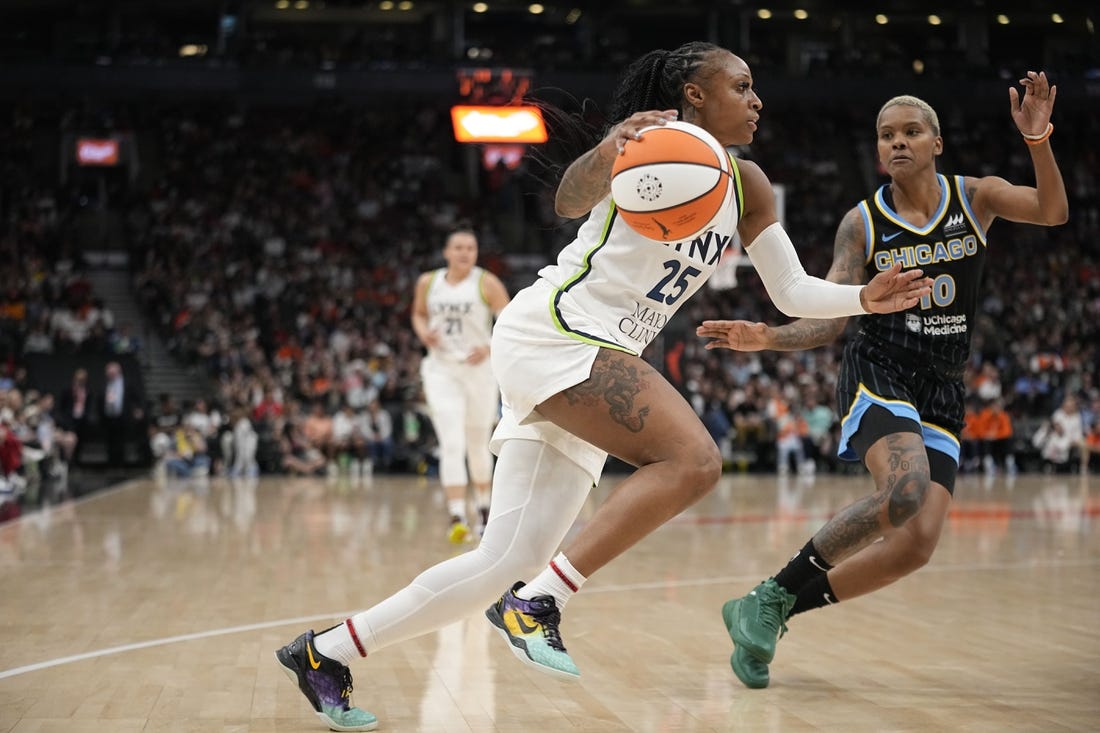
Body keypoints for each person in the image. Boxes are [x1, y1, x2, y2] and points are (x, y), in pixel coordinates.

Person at [274, 41, 931, 731]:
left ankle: (326, 652)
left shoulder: (750, 186)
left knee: (505, 560)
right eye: (740, 85)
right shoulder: (650, 141)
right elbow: (568, 198)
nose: (757, 99)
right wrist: (609, 148)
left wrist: (864, 296)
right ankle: (541, 604)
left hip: (599, 355)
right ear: (696, 93)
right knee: (694, 460)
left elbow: (793, 290)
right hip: (560, 329)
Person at [696, 71, 1068, 688]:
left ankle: (775, 605)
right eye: (886, 135)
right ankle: (770, 596)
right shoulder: (861, 224)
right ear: (876, 150)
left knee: (915, 545)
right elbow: (829, 320)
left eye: (911, 132)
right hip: (880, 370)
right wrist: (768, 336)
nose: (898, 142)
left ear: (937, 142)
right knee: (904, 492)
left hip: (944, 386)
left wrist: (1038, 139)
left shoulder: (977, 198)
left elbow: (1053, 212)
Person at [411, 228, 511, 542]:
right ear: (446, 252)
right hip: (442, 370)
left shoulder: (487, 283)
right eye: (458, 247)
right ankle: (456, 514)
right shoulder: (429, 283)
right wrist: (423, 332)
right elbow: (418, 313)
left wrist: (490, 347)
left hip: (479, 370)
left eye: (470, 247)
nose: (465, 252)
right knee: (451, 443)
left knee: (478, 443)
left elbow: (510, 322)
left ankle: (483, 509)